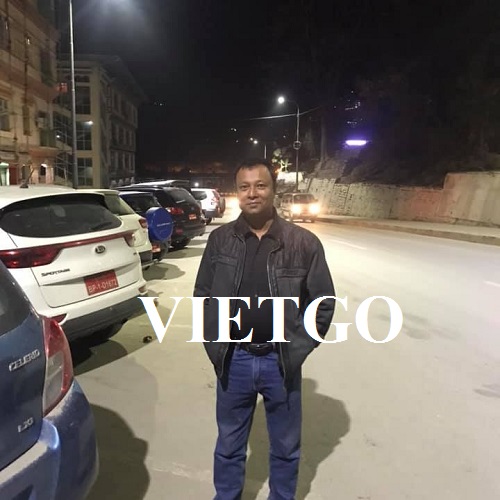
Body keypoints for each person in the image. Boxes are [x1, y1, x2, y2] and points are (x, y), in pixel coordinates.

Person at [193, 158, 335, 500]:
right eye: (244, 187)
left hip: (280, 362)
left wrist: (298, 348)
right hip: (234, 360)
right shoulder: (221, 241)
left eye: (260, 185)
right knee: (229, 445)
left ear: (273, 190)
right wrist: (215, 345)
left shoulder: (303, 243)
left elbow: (322, 303)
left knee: (286, 447)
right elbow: (203, 295)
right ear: (237, 192)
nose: (252, 193)